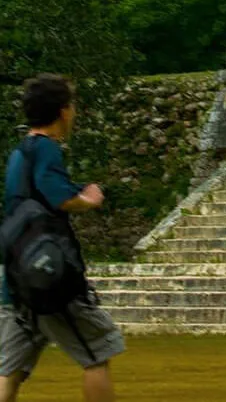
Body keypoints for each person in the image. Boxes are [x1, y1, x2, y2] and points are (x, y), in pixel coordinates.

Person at [0, 75, 123, 402]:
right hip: (48, 277)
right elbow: (59, 197)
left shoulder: (19, 154)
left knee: (9, 371)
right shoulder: (47, 150)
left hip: (16, 279)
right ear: (63, 111)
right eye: (72, 104)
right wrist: (89, 199)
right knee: (97, 353)